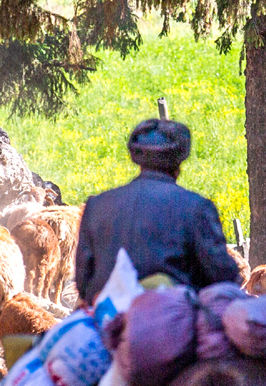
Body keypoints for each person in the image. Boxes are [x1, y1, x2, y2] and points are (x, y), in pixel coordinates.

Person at [75, 118, 245, 298]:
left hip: (106, 318)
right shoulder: (197, 208)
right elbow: (223, 276)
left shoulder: (98, 205)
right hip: (176, 319)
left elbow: (84, 282)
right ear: (179, 162)